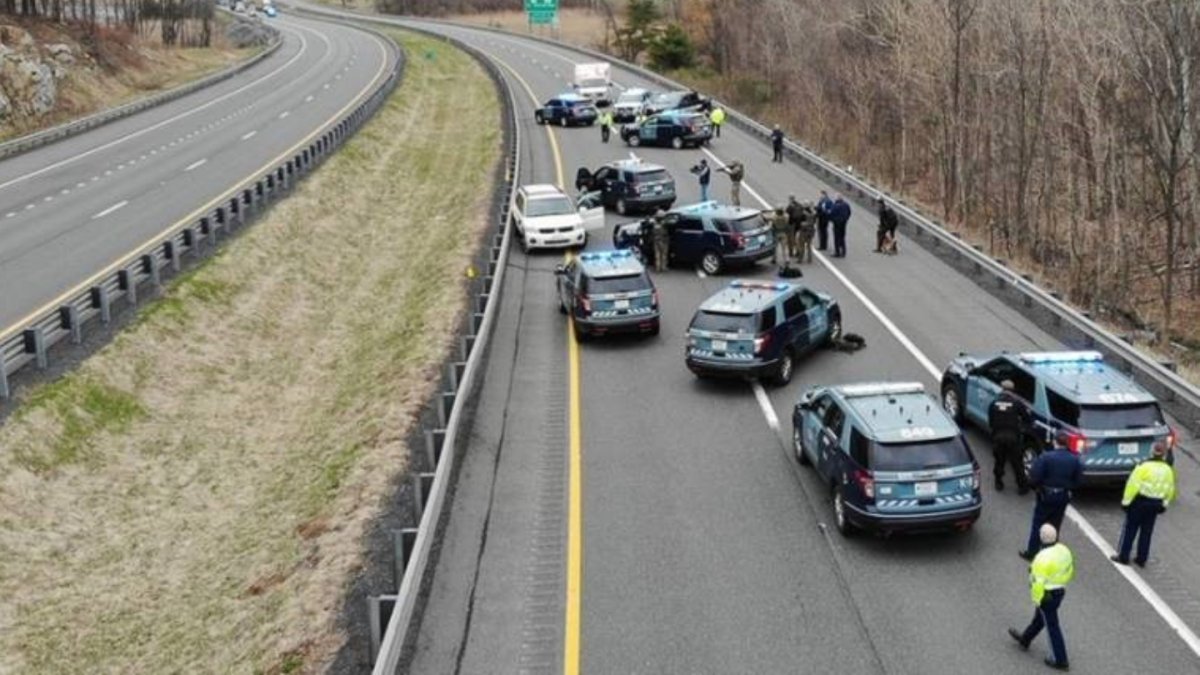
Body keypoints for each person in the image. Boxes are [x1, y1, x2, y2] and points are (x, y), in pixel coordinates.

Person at [1009, 523, 1074, 671]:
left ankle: (1060, 659)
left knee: (1052, 626)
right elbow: (1069, 569)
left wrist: (1038, 600)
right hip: (1059, 591)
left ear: (1041, 538)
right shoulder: (1064, 550)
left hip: (1047, 595)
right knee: (1040, 619)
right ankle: (1025, 639)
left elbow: (1037, 584)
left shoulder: (1041, 558)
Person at [1112, 441, 1176, 567]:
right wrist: (1165, 504)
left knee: (1130, 529)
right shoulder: (1168, 470)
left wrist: (1126, 502)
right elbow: (1170, 488)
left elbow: (1133, 485)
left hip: (1140, 502)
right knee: (1147, 532)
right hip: (1156, 504)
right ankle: (1142, 558)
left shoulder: (1143, 467)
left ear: (1151, 452)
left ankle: (1124, 556)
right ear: (1163, 455)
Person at [1020, 433, 1083, 561]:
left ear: (1055, 443)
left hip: (1046, 495)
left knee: (1038, 524)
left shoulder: (1046, 457)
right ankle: (1051, 552)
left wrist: (1036, 488)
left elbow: (1035, 476)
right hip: (1063, 496)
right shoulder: (1074, 459)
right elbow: (1078, 479)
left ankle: (1032, 552)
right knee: (1055, 524)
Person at [988, 380, 1029, 493]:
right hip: (1013, 437)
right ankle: (1022, 487)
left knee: (999, 461)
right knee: (1017, 463)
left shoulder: (994, 403)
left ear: (1002, 389)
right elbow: (1026, 418)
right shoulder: (1017, 403)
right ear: (1012, 390)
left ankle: (998, 482)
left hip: (998, 437)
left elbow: (990, 422)